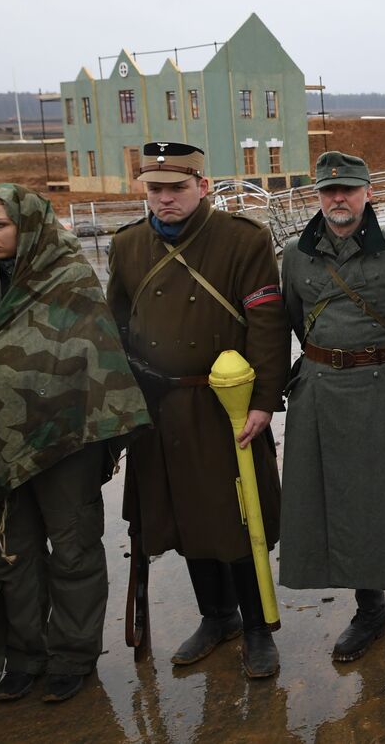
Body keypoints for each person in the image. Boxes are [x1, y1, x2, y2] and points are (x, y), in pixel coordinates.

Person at [0, 184, 150, 703]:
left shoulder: (68, 277)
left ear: (26, 225)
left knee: (73, 546)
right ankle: (25, 657)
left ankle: (72, 656)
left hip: (64, 439)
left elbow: (92, 353)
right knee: (13, 551)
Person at [106, 142, 290, 679]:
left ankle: (257, 627)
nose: (165, 200)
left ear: (202, 187)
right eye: (155, 190)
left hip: (223, 406)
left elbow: (267, 327)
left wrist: (262, 402)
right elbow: (115, 326)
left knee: (234, 516)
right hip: (158, 406)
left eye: (176, 188)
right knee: (181, 515)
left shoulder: (242, 241)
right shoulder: (128, 246)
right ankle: (216, 617)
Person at [278, 151, 385, 693]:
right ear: (317, 196)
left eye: (348, 190)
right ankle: (369, 614)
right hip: (322, 399)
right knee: (339, 508)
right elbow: (291, 324)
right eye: (329, 192)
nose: (338, 200)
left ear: (368, 192)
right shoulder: (294, 258)